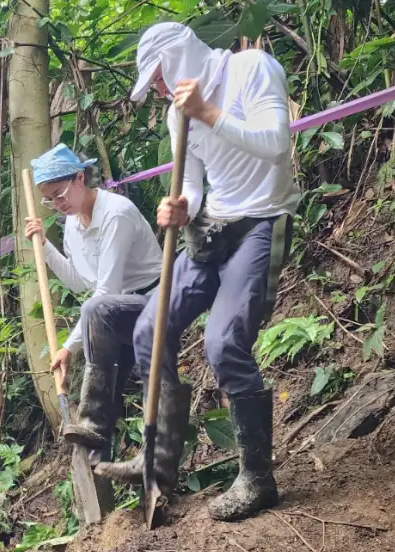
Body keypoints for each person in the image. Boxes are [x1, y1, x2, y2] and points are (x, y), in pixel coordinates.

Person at [96, 22, 301, 521]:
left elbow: (276, 143)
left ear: (180, 56)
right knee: (150, 329)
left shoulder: (250, 69)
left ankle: (257, 476)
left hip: (262, 219)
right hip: (213, 229)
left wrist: (207, 112)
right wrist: (181, 207)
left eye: (161, 78)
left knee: (223, 342)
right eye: (155, 86)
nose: (161, 91)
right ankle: (159, 463)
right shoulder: (176, 116)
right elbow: (190, 181)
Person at [25, 144, 164, 456]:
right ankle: (100, 457)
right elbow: (79, 281)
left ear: (79, 178)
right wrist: (45, 247)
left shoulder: (116, 213)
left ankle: (96, 425)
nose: (57, 204)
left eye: (60, 193)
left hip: (155, 301)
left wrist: (69, 346)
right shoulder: (73, 224)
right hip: (118, 310)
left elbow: (105, 293)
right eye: (49, 199)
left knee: (96, 311)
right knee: (110, 387)